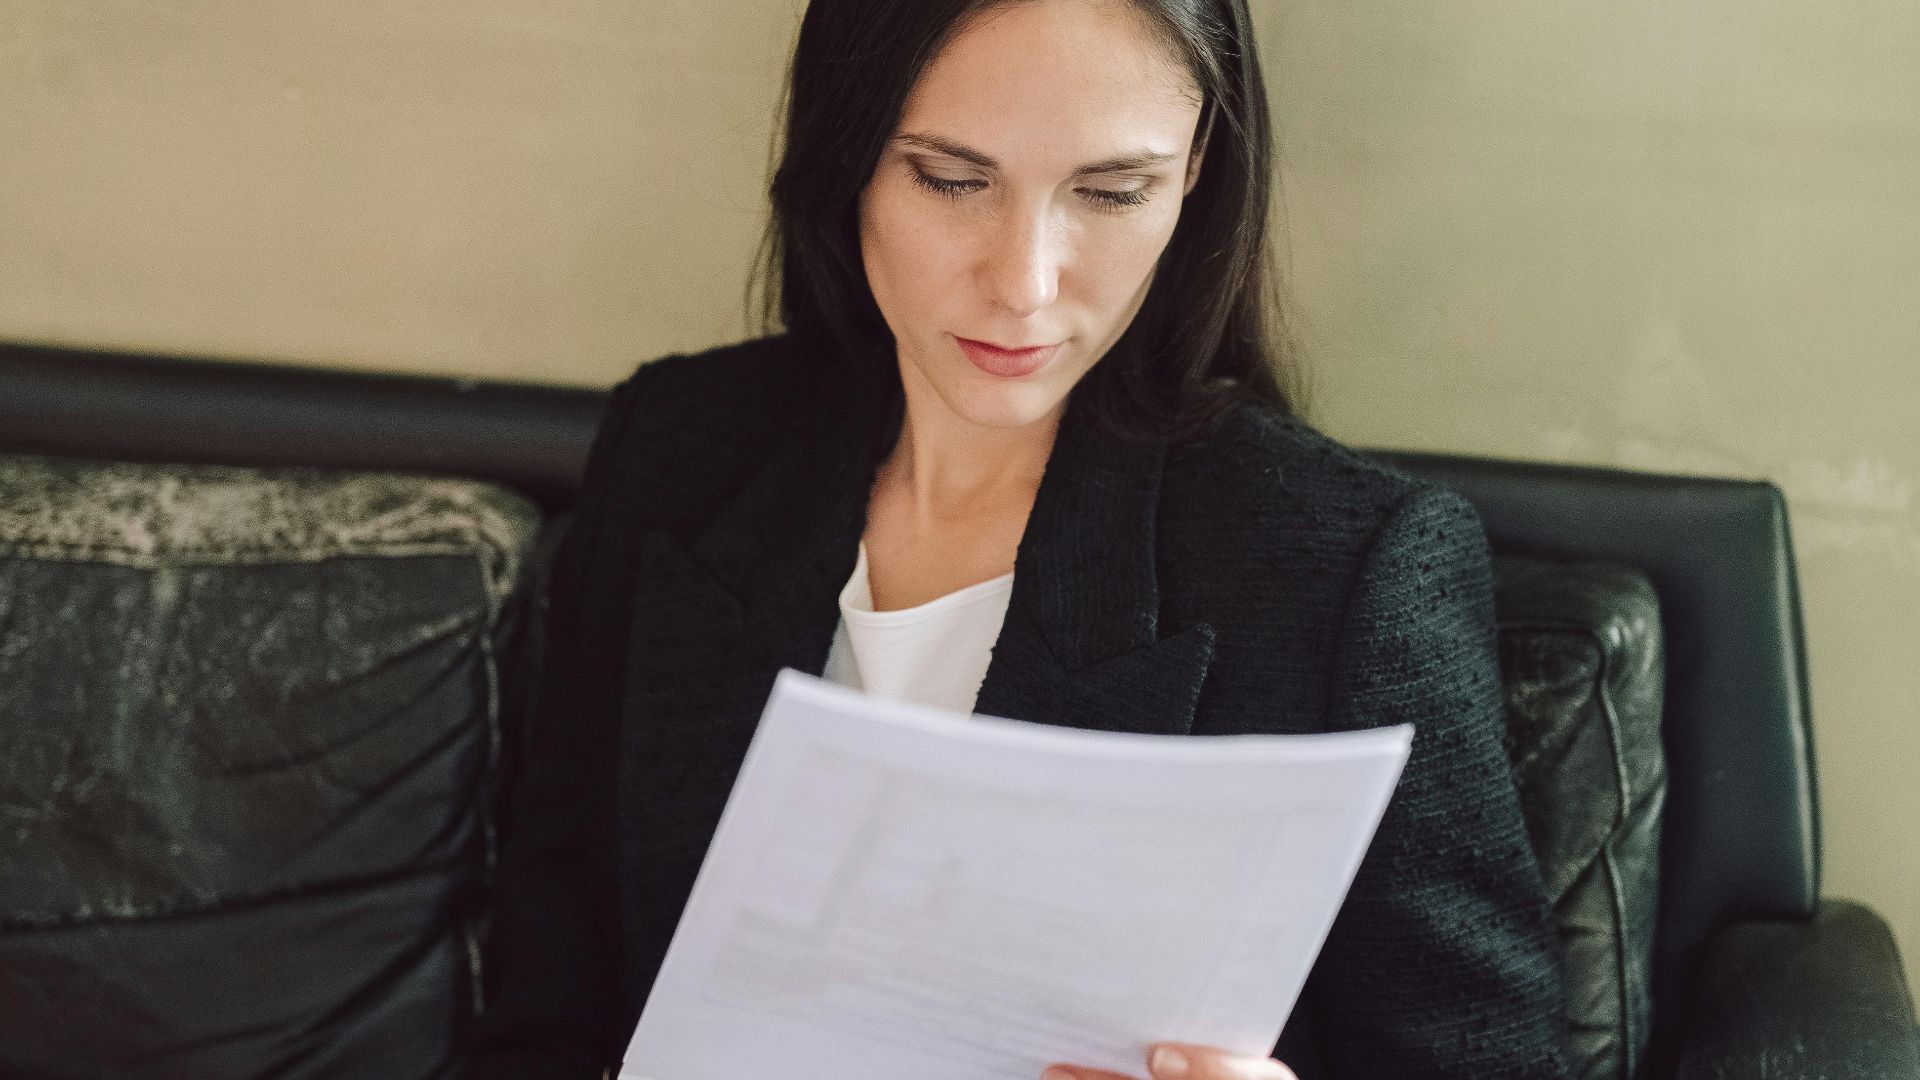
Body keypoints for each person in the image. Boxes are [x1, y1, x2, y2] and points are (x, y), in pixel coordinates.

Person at [468, 0, 1576, 1077]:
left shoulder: (1346, 570)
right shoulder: (679, 453)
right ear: (847, 153)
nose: (1025, 283)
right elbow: (549, 1011)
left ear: (1194, 172)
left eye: (1111, 191)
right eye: (952, 180)